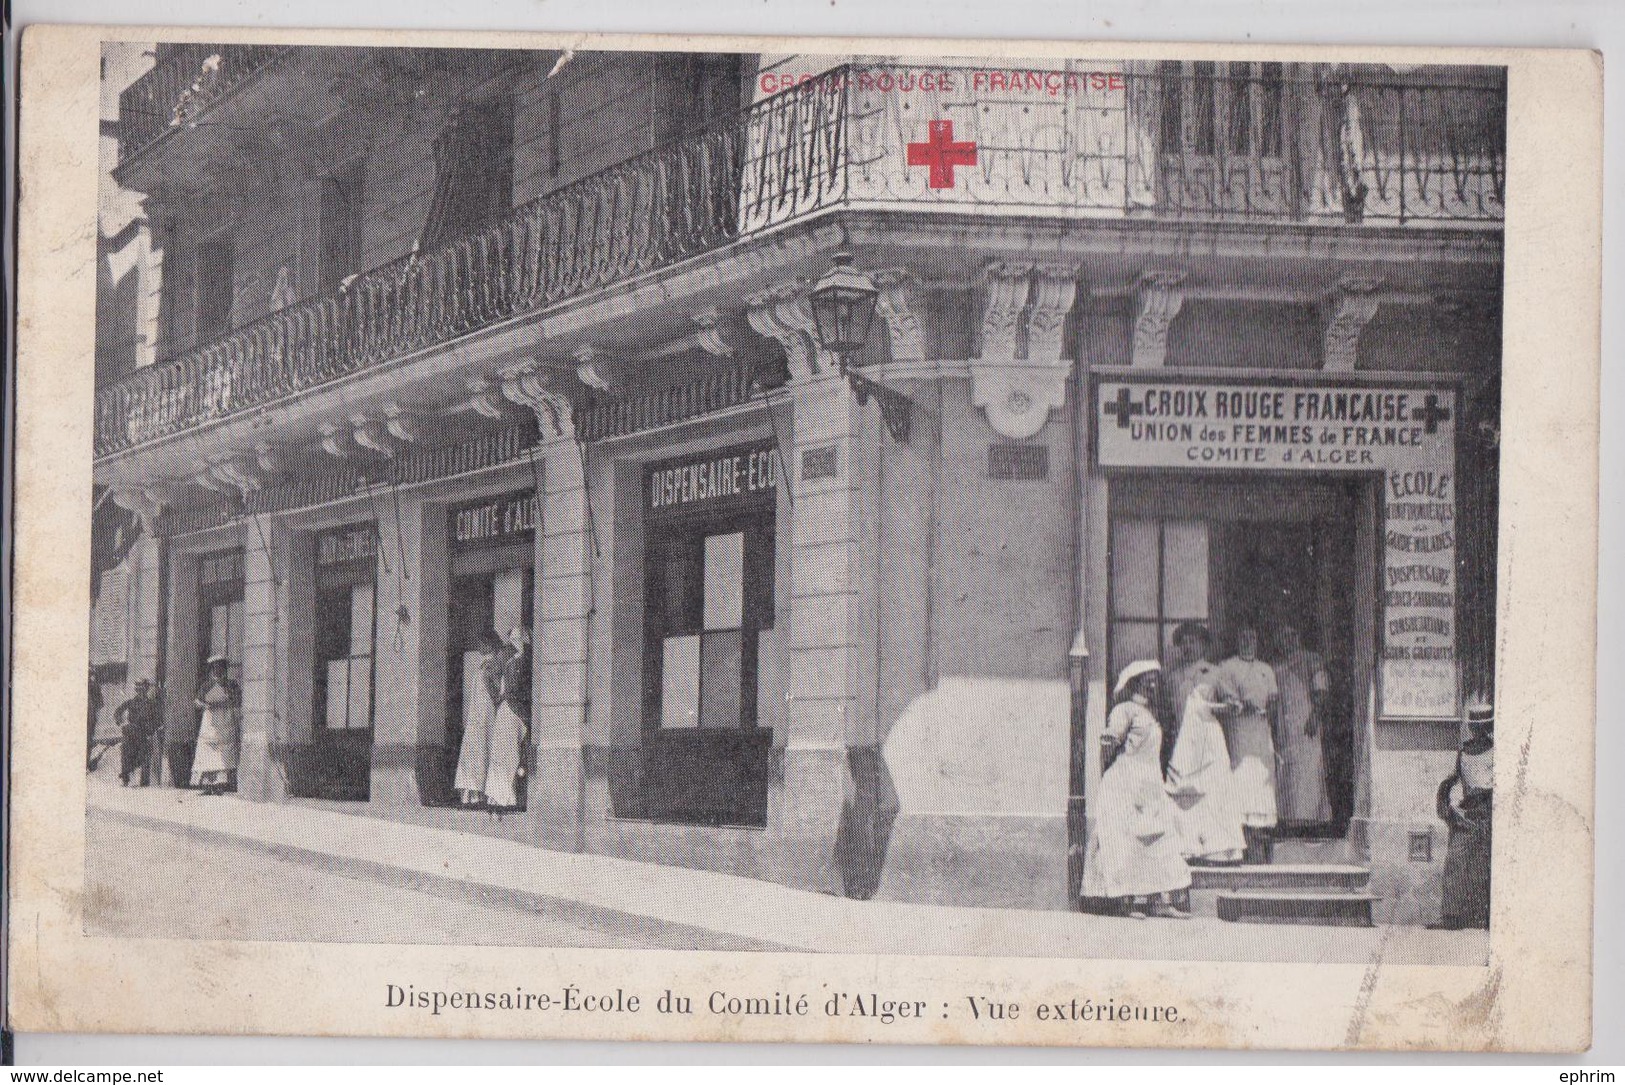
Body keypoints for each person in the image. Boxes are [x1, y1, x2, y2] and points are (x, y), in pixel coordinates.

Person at [1080, 660, 1192, 919]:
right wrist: (1111, 778)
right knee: (1125, 842)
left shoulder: (1153, 714)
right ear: (1135, 682)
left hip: (1150, 782)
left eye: (1155, 679)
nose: (1152, 684)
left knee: (1159, 840)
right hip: (1125, 783)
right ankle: (1124, 902)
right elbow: (1110, 743)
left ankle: (1158, 901)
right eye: (1146, 679)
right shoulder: (1124, 710)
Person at [1165, 683, 1246, 865]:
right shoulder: (1195, 712)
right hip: (1200, 763)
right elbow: (1203, 706)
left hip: (1213, 762)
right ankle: (1201, 847)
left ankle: (1222, 849)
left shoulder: (1212, 725)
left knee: (1219, 799)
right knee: (1201, 804)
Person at [1217, 625, 1279, 862]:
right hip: (1239, 732)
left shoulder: (1265, 669)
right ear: (1236, 640)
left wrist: (1267, 711)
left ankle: (1260, 841)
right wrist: (1243, 704)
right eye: (1243, 636)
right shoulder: (1227, 667)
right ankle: (1241, 842)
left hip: (1261, 733)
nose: (1247, 641)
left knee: (1262, 781)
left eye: (1251, 636)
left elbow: (1273, 698)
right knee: (1241, 779)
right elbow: (1228, 697)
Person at [1431, 701, 1493, 930]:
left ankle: (1485, 917)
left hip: (1490, 813)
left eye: (1483, 726)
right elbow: (1449, 781)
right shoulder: (1464, 752)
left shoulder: (1497, 751)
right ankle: (1450, 917)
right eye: (1475, 726)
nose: (1478, 731)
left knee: (1485, 867)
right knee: (1455, 863)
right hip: (1467, 814)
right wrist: (1446, 808)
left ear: (1489, 727)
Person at [1273, 624, 1332, 824]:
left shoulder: (1311, 659)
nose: (1287, 640)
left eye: (1291, 635)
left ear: (1298, 637)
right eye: (1283, 637)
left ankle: (1309, 819)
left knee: (1307, 772)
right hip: (1285, 726)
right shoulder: (1276, 665)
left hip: (1306, 723)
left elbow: (1321, 688)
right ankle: (1288, 819)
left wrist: (1316, 714)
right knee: (1287, 773)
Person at [1161, 622, 1227, 772]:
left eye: (1192, 642)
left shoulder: (1215, 673)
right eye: (1183, 643)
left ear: (1203, 646)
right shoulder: (1173, 677)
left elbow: (1229, 702)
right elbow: (1168, 711)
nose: (1187, 647)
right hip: (1180, 743)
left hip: (1207, 743)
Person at [453, 631, 508, 806]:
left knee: (480, 747)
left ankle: (476, 792)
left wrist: (498, 704)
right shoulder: (485, 664)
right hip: (479, 712)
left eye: (481, 644)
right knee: (477, 748)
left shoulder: (490, 665)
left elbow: (494, 691)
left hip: (485, 713)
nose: (478, 647)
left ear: (489, 644)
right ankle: (473, 792)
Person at [484, 625, 532, 811]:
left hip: (520, 711)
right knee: (502, 752)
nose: (517, 639)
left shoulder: (528, 657)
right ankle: (499, 796)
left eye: (520, 635)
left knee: (513, 753)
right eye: (514, 636)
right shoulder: (508, 658)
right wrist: (499, 698)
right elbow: (495, 681)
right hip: (507, 708)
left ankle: (508, 795)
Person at [191, 655, 241, 796]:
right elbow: (197, 701)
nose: (217, 670)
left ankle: (220, 784)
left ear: (224, 669)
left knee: (223, 750)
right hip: (210, 719)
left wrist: (227, 701)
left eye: (220, 667)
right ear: (211, 669)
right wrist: (204, 704)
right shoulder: (207, 685)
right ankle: (208, 784)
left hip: (225, 718)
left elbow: (237, 699)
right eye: (214, 667)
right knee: (208, 750)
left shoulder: (231, 684)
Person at [114, 679, 163, 787]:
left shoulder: (152, 704)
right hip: (131, 733)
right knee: (125, 750)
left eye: (143, 689)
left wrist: (151, 729)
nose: (140, 692)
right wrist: (119, 720)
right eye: (138, 689)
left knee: (144, 755)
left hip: (144, 734)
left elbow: (159, 719)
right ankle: (125, 778)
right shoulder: (131, 702)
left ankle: (144, 783)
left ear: (146, 690)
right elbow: (118, 711)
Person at [86, 668, 104, 771]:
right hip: (90, 718)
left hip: (90, 718)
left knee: (88, 740)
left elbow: (100, 703)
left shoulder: (94, 686)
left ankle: (86, 763)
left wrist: (93, 714)